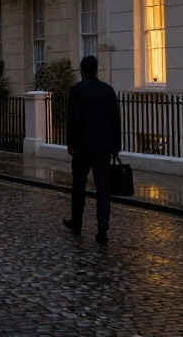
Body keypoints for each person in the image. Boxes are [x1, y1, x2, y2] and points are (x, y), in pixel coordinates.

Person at [63, 55, 121, 244]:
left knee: (78, 186)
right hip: (104, 147)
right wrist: (116, 146)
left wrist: (70, 143)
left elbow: (74, 120)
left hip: (83, 147)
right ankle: (102, 229)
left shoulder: (77, 90)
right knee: (103, 190)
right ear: (96, 70)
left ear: (81, 70)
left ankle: (77, 222)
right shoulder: (108, 90)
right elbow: (115, 120)